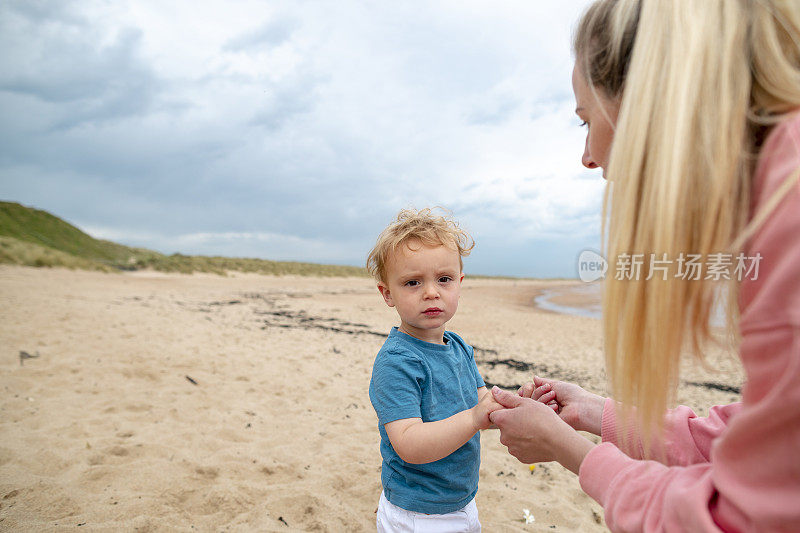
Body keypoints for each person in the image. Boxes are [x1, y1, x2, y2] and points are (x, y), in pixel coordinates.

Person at [489, 0, 800, 531]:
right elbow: (748, 438)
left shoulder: (787, 215)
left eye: (587, 120)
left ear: (649, 103)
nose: (587, 156)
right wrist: (592, 412)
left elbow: (736, 518)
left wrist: (572, 451)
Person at [367, 208, 502, 532]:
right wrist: (473, 418)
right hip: (418, 512)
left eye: (444, 279)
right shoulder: (397, 362)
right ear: (388, 293)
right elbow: (409, 444)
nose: (431, 292)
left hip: (460, 499)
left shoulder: (457, 346)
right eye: (413, 282)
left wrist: (516, 403)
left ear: (459, 282)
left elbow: (483, 399)